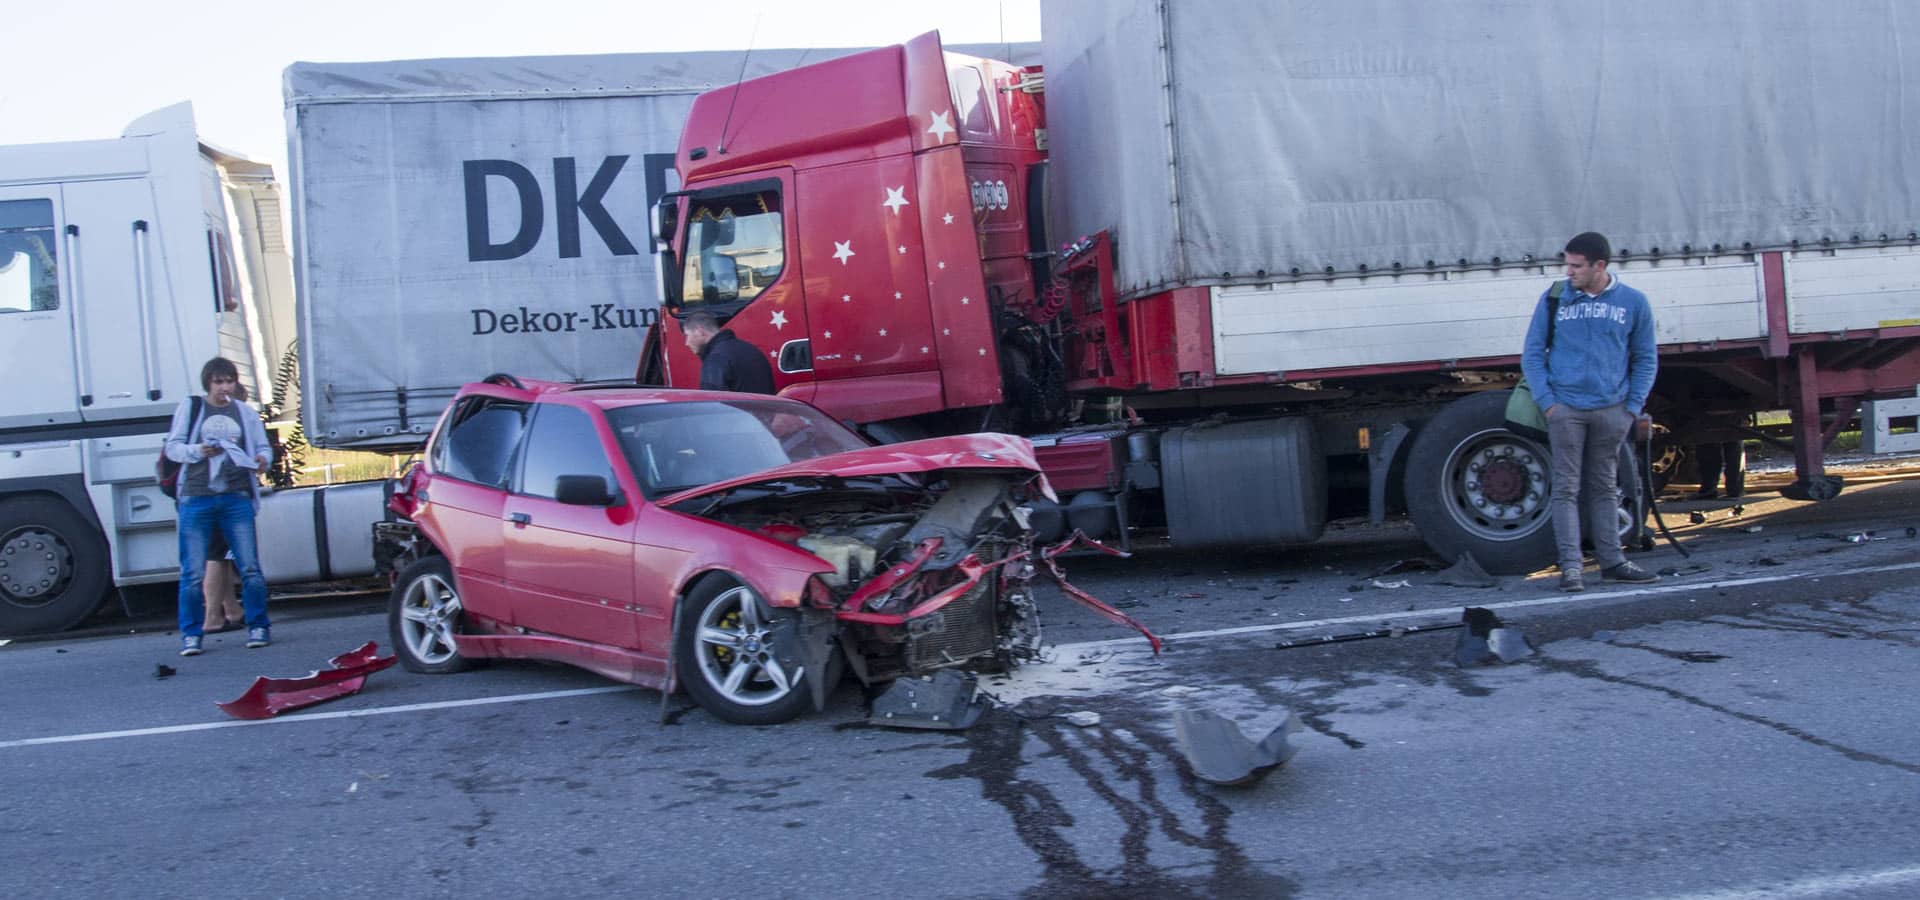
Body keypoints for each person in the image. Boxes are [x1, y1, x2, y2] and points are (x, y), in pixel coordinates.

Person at [1521, 232, 1661, 592]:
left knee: (1604, 487)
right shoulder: (1555, 299)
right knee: (1565, 488)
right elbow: (1533, 353)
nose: (1569, 272)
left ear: (1600, 266)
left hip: (1612, 410)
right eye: (1567, 264)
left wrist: (1631, 408)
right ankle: (1571, 569)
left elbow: (1645, 358)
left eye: (1576, 266)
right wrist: (1548, 403)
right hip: (1566, 408)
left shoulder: (1633, 302)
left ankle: (1612, 561)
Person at [164, 357, 273, 655]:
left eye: (229, 381)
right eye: (218, 382)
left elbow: (262, 447)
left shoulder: (245, 413)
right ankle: (190, 633)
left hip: (235, 496)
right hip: (196, 495)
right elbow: (172, 448)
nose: (224, 387)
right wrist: (199, 450)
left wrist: (263, 460)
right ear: (208, 384)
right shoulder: (192, 407)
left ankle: (259, 625)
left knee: (249, 566)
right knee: (192, 570)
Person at [683, 310, 776, 394]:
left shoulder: (715, 360)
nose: (686, 343)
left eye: (687, 335)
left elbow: (714, 404)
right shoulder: (750, 349)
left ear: (700, 331)